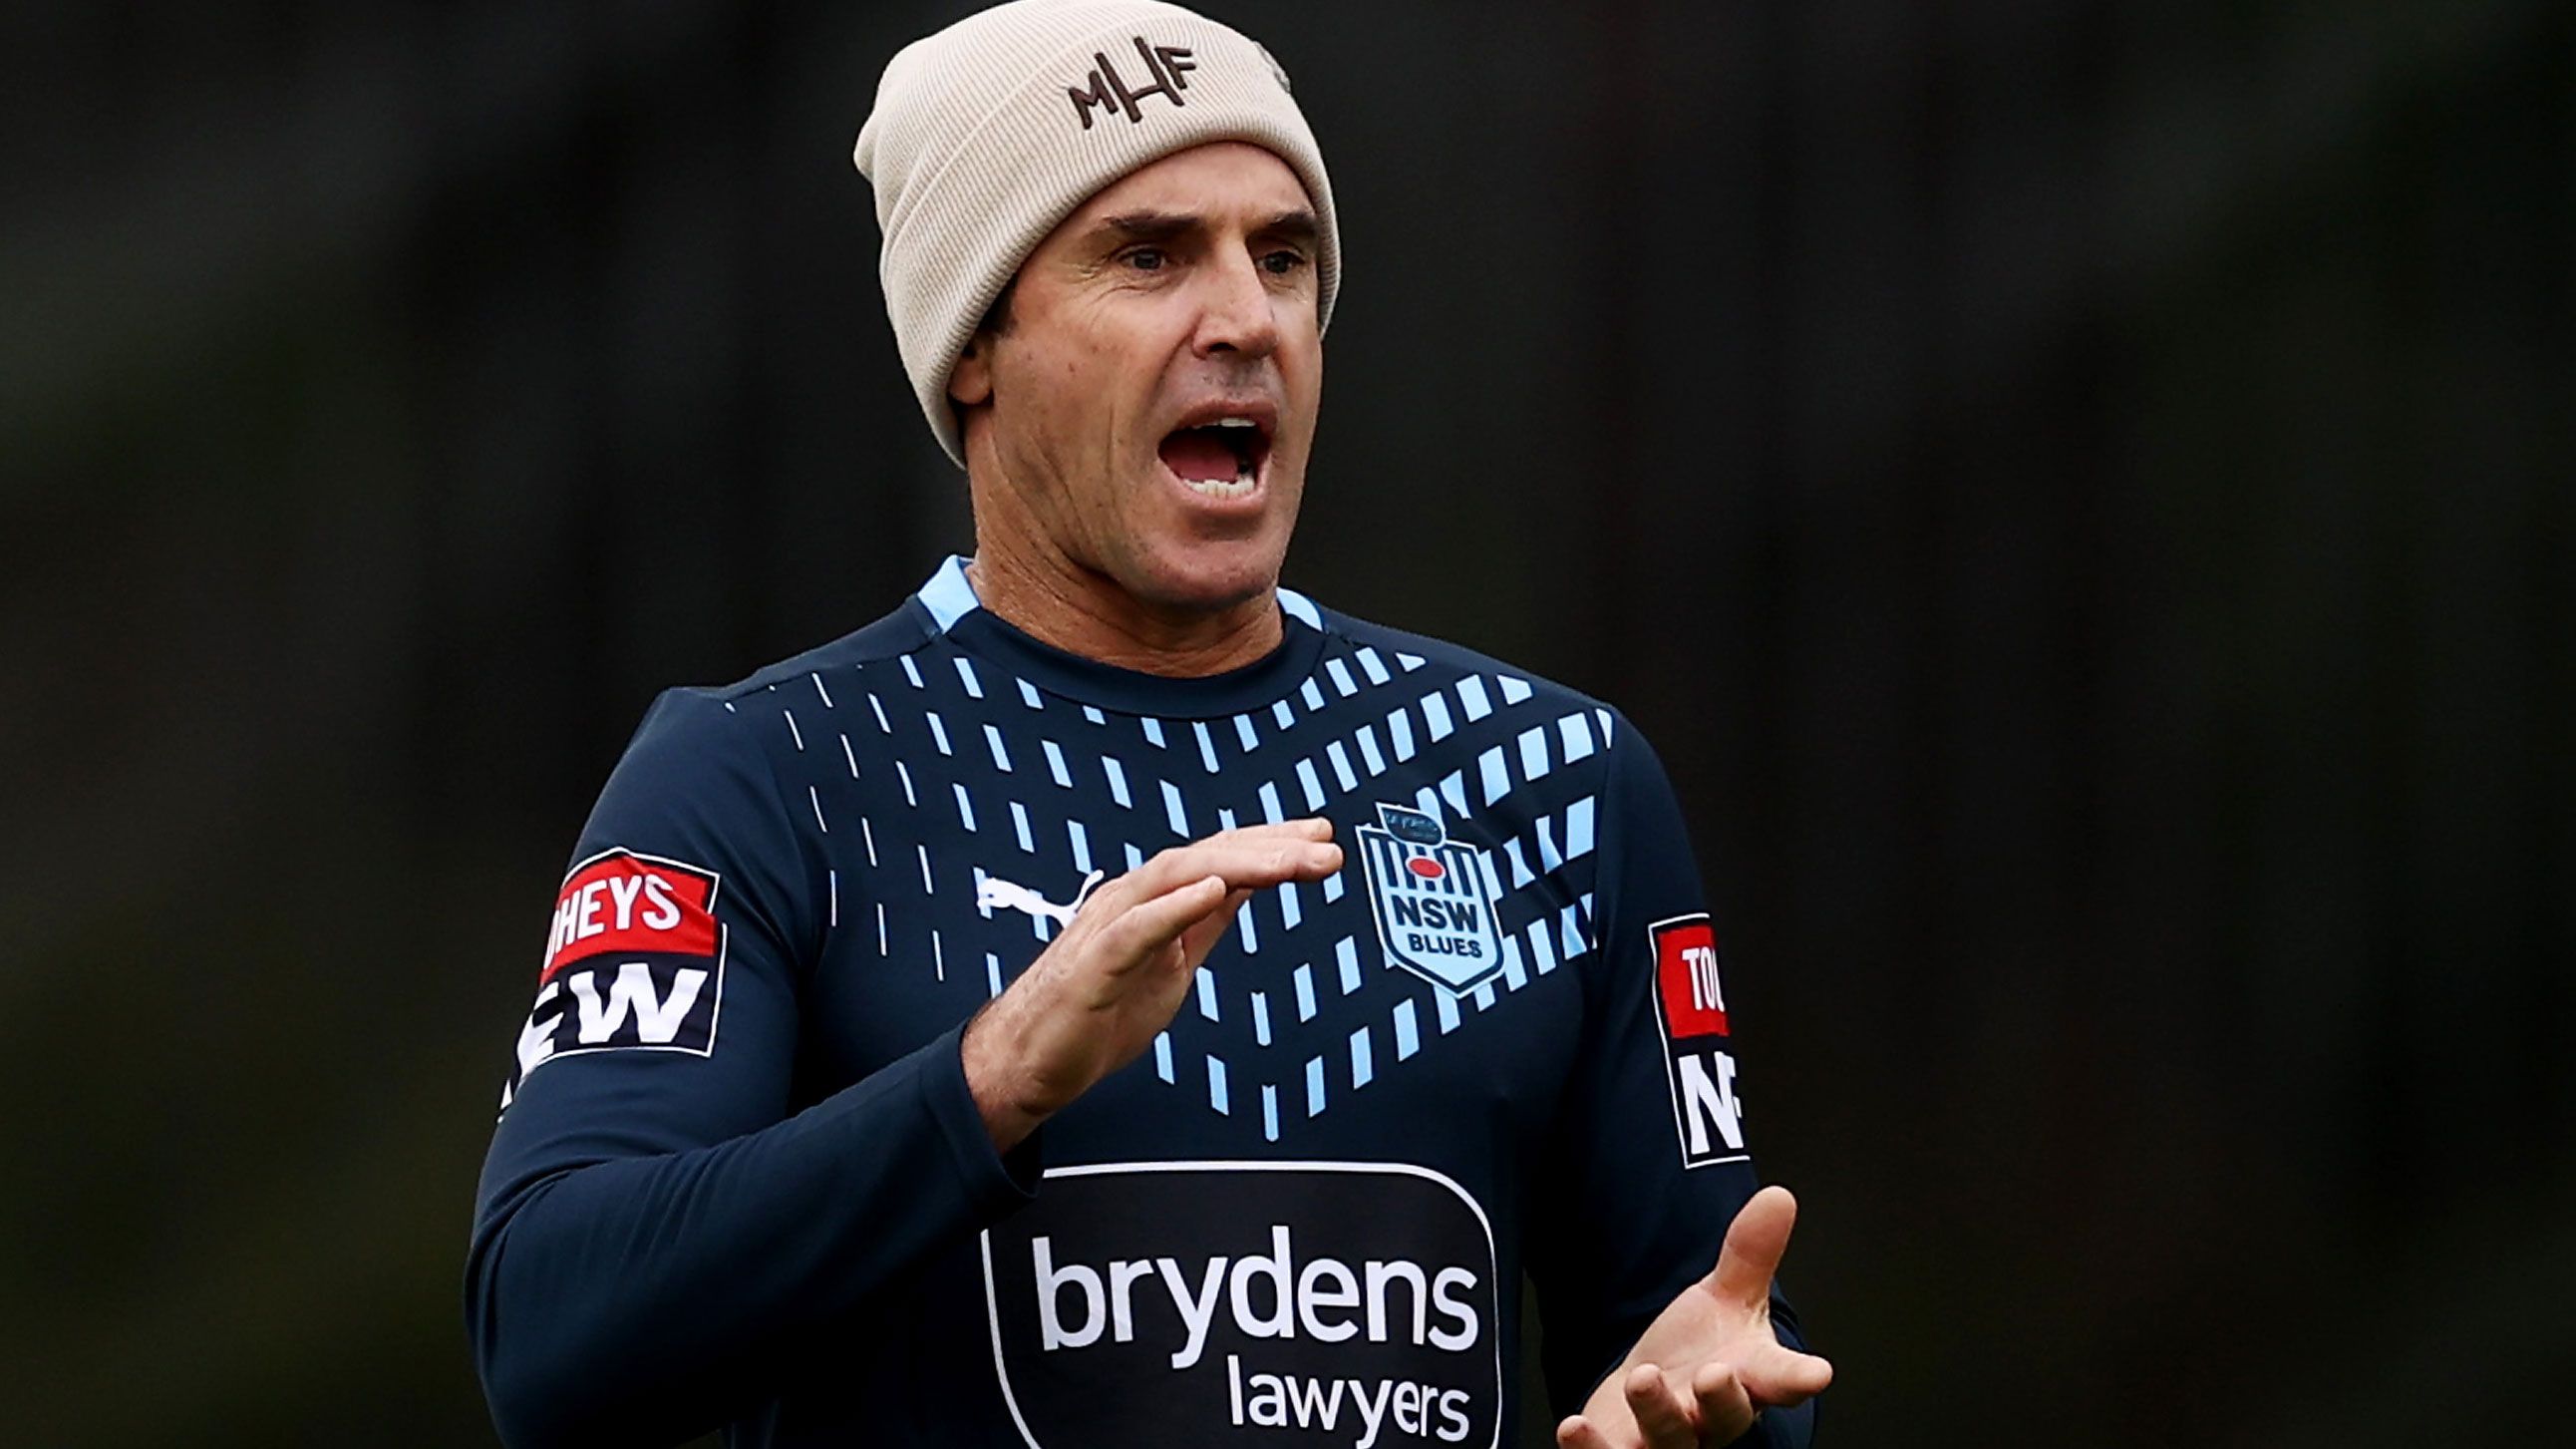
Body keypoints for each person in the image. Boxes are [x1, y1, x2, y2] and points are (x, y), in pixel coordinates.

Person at [466, 2, 1831, 1445]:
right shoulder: (769, 774)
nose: (1245, 317)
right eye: (1149, 253)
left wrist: (1719, 1421)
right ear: (974, 339)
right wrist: (986, 1084)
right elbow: (549, 1325)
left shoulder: (1552, 782)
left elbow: (1712, 1332)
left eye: (1285, 256)